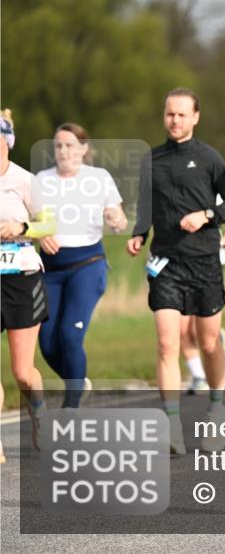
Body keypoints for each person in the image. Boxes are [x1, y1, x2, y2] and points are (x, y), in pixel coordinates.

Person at [127, 89, 225, 454]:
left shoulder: (210, 158)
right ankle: (171, 423)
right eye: (169, 115)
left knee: (209, 342)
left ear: (195, 117)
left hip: (205, 262)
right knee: (167, 343)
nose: (174, 121)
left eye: (181, 115)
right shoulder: (152, 159)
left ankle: (216, 408)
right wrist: (138, 232)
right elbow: (145, 205)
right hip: (165, 263)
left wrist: (207, 216)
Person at [35, 123, 128, 408]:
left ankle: (71, 408)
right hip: (50, 270)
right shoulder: (41, 179)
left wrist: (115, 221)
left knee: (70, 335)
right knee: (48, 343)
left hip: (87, 265)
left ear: (84, 149)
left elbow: (120, 221)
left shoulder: (99, 178)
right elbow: (31, 222)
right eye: (59, 146)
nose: (64, 151)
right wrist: (41, 233)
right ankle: (79, 382)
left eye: (70, 145)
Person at [1, 109, 53, 462]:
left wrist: (22, 228)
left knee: (22, 371)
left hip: (21, 276)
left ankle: (38, 412)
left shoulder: (25, 181)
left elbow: (48, 224)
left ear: (7, 142)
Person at [180, 199, 225, 395]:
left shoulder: (210, 189)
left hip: (210, 263)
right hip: (177, 263)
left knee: (200, 330)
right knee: (181, 328)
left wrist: (219, 245)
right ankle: (198, 376)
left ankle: (215, 339)